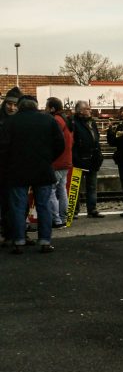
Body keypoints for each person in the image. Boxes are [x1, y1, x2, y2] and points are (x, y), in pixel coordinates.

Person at [0, 96, 64, 253]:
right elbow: (60, 144)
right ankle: (45, 241)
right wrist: (48, 159)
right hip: (42, 169)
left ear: (20, 107)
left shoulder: (10, 122)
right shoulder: (48, 120)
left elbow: (2, 148)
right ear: (36, 106)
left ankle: (19, 241)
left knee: (18, 207)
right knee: (44, 206)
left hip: (17, 171)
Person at [70, 101, 105, 218]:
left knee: (92, 186)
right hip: (79, 159)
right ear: (80, 111)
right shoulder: (73, 123)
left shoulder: (92, 122)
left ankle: (92, 209)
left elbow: (96, 139)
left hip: (92, 159)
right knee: (76, 186)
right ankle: (74, 211)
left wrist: (99, 154)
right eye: (88, 109)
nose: (90, 110)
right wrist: (75, 157)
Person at [45, 98, 73, 228]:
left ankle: (56, 220)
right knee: (61, 190)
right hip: (66, 160)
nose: (45, 109)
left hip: (57, 162)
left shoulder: (56, 120)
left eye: (46, 107)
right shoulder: (66, 119)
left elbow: (51, 141)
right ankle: (63, 218)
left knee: (51, 190)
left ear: (52, 108)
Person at [0, 87, 20, 246]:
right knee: (6, 203)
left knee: (18, 203)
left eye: (15, 105)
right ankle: (8, 233)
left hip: (16, 168)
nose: (12, 108)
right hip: (3, 167)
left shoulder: (21, 121)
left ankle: (15, 233)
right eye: (9, 104)